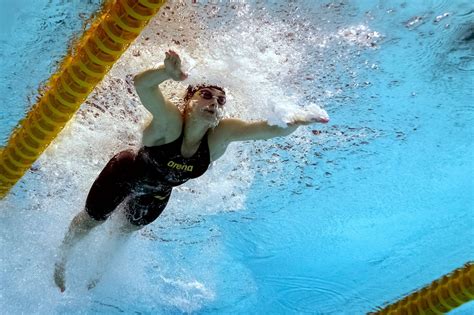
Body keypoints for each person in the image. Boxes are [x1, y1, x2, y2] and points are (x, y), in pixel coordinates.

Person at [53, 50, 329, 292]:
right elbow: (142, 85)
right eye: (206, 95)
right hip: (124, 173)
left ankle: (99, 270)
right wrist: (165, 72)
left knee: (125, 231)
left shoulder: (221, 135)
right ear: (188, 101)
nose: (214, 103)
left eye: (220, 101)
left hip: (158, 194)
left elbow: (267, 130)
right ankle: (62, 257)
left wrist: (295, 119)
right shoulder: (171, 122)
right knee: (93, 222)